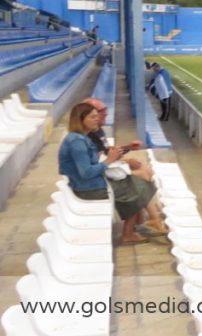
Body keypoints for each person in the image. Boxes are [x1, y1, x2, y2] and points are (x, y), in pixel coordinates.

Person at [59, 103, 151, 244]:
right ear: (80, 119)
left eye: (97, 116)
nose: (97, 119)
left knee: (135, 184)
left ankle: (133, 229)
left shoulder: (82, 138)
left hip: (91, 183)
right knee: (136, 189)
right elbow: (86, 173)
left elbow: (94, 160)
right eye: (93, 117)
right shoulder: (77, 142)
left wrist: (111, 157)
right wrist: (109, 161)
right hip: (88, 188)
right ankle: (130, 232)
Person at [82, 98, 166, 234]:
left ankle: (146, 217)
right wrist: (126, 162)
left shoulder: (97, 131)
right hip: (100, 178)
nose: (105, 114)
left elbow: (109, 151)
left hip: (107, 171)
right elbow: (101, 161)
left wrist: (128, 147)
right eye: (101, 112)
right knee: (142, 176)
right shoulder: (87, 137)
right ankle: (151, 218)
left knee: (145, 169)